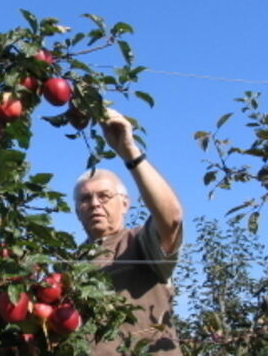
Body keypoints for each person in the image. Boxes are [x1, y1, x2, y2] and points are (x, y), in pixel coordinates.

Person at [74, 108, 184, 355]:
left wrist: (128, 151)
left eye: (104, 196)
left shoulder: (139, 242)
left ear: (125, 203)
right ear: (76, 211)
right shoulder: (71, 265)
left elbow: (172, 218)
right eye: (85, 199)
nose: (94, 204)